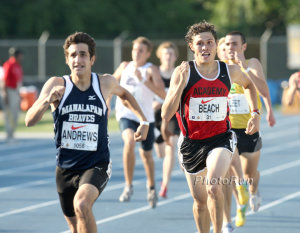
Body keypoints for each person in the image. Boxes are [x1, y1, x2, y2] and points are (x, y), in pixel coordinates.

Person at [25, 32, 149, 233]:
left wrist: (143, 120)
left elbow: (125, 95)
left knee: (82, 204)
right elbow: (29, 120)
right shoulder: (57, 84)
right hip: (65, 168)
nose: (78, 59)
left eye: (83, 54)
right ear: (67, 59)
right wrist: (47, 100)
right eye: (73, 55)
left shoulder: (104, 83)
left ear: (92, 59)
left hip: (96, 164)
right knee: (75, 227)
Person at [161, 21, 260, 233]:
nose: (205, 47)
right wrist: (179, 83)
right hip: (191, 143)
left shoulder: (229, 70)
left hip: (220, 138)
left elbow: (250, 84)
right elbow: (165, 114)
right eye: (200, 44)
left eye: (209, 43)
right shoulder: (184, 72)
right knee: (200, 202)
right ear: (191, 46)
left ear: (216, 45)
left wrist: (255, 113)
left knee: (214, 186)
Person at [224, 31, 276, 227]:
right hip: (228, 129)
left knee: (249, 174)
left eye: (235, 44)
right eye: (227, 44)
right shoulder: (222, 68)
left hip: (250, 127)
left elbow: (263, 90)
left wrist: (244, 67)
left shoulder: (252, 63)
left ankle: (253, 191)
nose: (231, 48)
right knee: (232, 172)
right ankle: (239, 206)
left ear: (243, 46)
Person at [113, 36, 165, 208]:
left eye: (141, 50)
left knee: (147, 155)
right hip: (126, 114)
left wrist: (143, 80)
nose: (137, 53)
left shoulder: (151, 70)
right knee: (129, 142)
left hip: (145, 118)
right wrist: (105, 104)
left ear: (148, 53)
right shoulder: (124, 66)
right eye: (135, 49)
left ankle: (151, 188)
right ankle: (128, 185)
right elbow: (108, 86)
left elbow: (163, 94)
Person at [217, 37, 248, 233]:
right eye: (223, 47)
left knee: (234, 172)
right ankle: (228, 219)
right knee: (224, 177)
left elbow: (253, 88)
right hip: (220, 128)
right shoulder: (212, 70)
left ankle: (242, 188)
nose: (227, 50)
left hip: (240, 125)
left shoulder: (238, 70)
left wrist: (258, 112)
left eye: (230, 46)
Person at [153, 41, 180, 198]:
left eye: (171, 53)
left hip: (172, 116)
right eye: (165, 53)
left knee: (171, 148)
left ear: (175, 56)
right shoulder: (154, 72)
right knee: (161, 153)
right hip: (156, 116)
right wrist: (152, 103)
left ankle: (164, 185)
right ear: (160, 56)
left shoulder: (179, 73)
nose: (168, 57)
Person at [1, 47, 24, 142]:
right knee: (9, 114)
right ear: (17, 55)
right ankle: (8, 134)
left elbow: (19, 80)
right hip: (9, 91)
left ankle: (12, 133)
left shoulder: (18, 66)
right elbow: (4, 80)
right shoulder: (9, 65)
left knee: (15, 114)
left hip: (16, 91)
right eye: (20, 55)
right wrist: (4, 93)